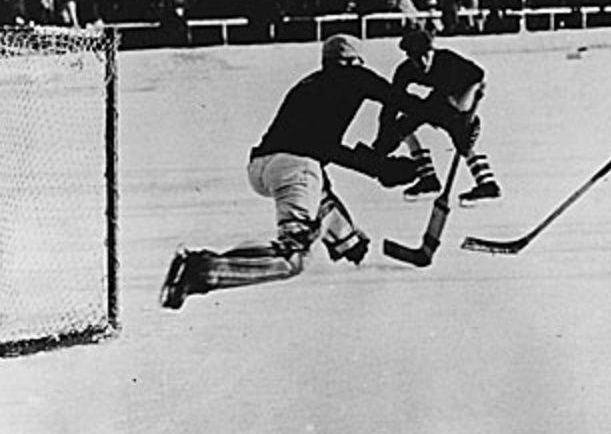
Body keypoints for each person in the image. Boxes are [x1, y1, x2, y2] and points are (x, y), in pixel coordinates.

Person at [160, 34, 474, 309]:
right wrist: (455, 124)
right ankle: (202, 269)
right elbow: (404, 102)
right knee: (292, 257)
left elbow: (324, 147)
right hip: (296, 168)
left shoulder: (308, 84)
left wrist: (380, 167)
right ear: (355, 60)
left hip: (261, 168)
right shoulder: (356, 76)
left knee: (328, 206)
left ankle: (352, 245)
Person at [375, 28, 502, 206]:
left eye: (426, 55)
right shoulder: (405, 71)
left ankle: (487, 184)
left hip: (457, 98)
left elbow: (478, 75)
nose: (422, 62)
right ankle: (428, 179)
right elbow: (391, 103)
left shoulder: (447, 61)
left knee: (462, 137)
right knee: (402, 127)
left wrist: (466, 105)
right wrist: (384, 136)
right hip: (436, 102)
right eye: (416, 58)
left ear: (432, 51)